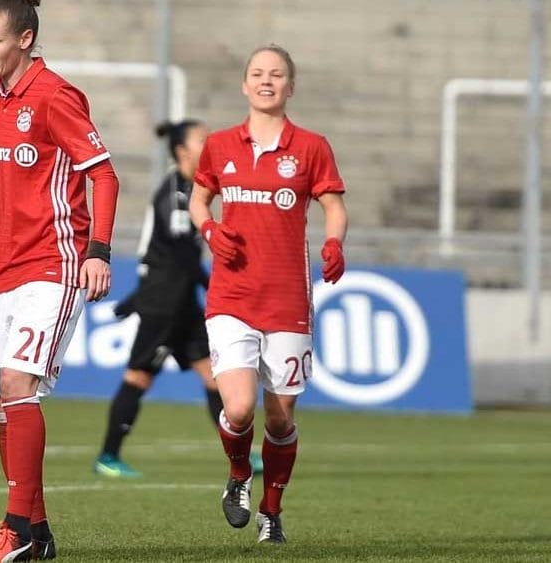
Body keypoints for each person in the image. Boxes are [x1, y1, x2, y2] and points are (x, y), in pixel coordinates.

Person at [0, 0, 120, 560]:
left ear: (24, 39)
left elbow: (102, 173)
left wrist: (98, 251)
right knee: (0, 404)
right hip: (2, 269)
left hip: (55, 265)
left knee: (16, 386)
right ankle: (39, 533)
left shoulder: (56, 96)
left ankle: (14, 531)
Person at [188, 44, 347, 545]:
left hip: (287, 302)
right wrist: (210, 230)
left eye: (276, 74)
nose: (266, 81)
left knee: (280, 417)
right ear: (244, 84)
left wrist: (333, 241)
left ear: (290, 87)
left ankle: (271, 510)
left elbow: (334, 206)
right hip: (231, 297)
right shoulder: (219, 145)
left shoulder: (311, 147)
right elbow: (198, 198)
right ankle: (239, 476)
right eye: (257, 73)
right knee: (237, 409)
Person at [93, 120, 262, 479]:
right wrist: (216, 280)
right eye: (203, 139)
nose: (210, 142)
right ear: (183, 151)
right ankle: (108, 456)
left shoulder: (193, 188)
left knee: (215, 376)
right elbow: (180, 253)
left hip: (182, 300)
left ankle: (240, 455)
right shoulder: (174, 193)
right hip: (164, 302)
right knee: (139, 376)